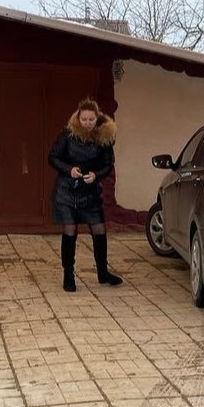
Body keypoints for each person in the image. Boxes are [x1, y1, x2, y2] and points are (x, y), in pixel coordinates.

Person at [48, 98, 124, 291]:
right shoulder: (68, 134)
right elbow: (53, 157)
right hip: (67, 191)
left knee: (99, 229)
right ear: (78, 118)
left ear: (97, 118)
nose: (88, 123)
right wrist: (69, 169)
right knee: (70, 229)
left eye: (91, 119)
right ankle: (68, 275)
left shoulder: (104, 137)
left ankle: (103, 272)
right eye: (84, 119)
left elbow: (108, 165)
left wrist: (96, 175)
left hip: (90, 191)